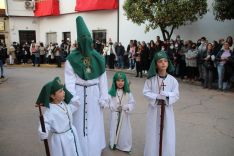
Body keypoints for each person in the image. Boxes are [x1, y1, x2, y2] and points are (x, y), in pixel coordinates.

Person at [64, 16, 108, 156]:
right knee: (79, 124)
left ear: (91, 40)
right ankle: (79, 150)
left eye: (87, 39)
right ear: (78, 41)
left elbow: (103, 79)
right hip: (79, 94)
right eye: (82, 40)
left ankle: (94, 150)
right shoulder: (71, 59)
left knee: (94, 124)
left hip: (94, 94)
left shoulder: (98, 58)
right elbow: (69, 81)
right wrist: (73, 98)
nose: (85, 42)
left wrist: (104, 97)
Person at [143, 51, 179, 156]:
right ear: (155, 64)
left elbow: (176, 94)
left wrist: (167, 95)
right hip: (154, 110)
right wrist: (157, 97)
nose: (163, 63)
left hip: (167, 110)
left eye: (165, 61)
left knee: (167, 132)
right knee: (153, 132)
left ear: (168, 63)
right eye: (160, 61)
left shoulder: (173, 80)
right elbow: (145, 92)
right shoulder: (151, 79)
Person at [36, 77, 83, 156]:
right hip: (61, 141)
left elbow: (76, 104)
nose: (64, 92)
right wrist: (43, 131)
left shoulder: (65, 104)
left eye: (63, 90)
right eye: (61, 91)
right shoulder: (49, 111)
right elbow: (45, 123)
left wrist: (66, 93)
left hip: (71, 135)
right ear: (53, 96)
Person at [108, 71, 135, 153]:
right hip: (115, 114)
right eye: (118, 80)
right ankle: (113, 143)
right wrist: (114, 107)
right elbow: (109, 103)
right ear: (114, 81)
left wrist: (126, 107)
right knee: (114, 129)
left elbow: (132, 103)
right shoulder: (111, 93)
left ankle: (124, 146)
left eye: (122, 81)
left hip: (124, 115)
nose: (120, 83)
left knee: (124, 131)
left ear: (125, 82)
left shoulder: (128, 93)